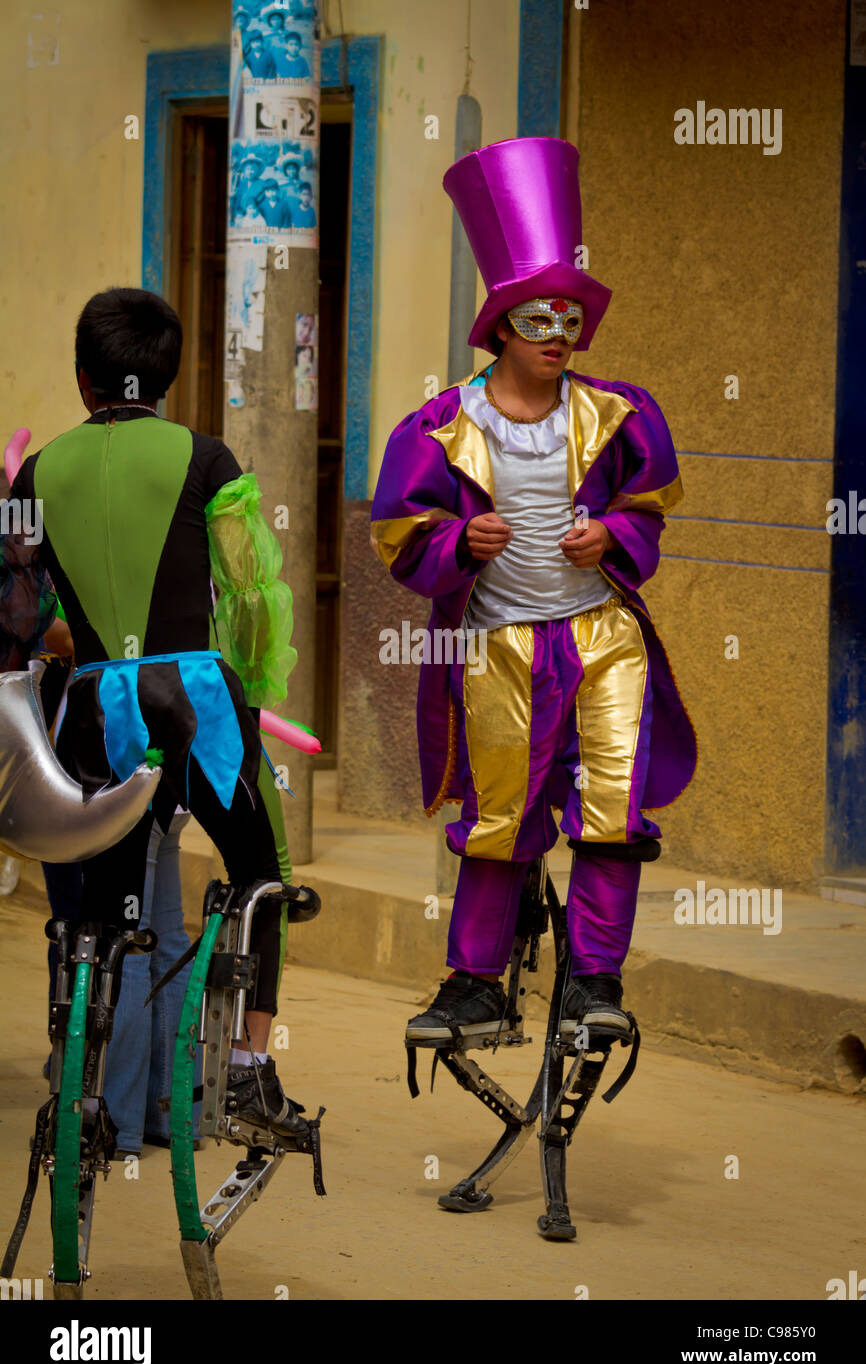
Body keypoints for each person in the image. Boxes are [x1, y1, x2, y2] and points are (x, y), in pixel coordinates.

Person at [371, 137, 697, 1046]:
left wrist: (614, 536)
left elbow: (647, 512)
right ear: (501, 327)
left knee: (613, 812)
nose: (559, 335)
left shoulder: (617, 414)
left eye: (569, 319)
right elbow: (402, 537)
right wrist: (458, 543)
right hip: (497, 646)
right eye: (539, 318)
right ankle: (474, 981)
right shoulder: (438, 428)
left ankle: (596, 979)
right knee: (499, 820)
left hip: (601, 638)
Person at [4, 286, 316, 1141]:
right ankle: (252, 1072)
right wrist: (245, 685)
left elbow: (20, 614)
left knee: (99, 909)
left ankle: (91, 1096)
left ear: (83, 380)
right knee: (261, 872)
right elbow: (255, 597)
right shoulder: (209, 459)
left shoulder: (37, 474)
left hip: (97, 706)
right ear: (168, 376)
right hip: (199, 704)